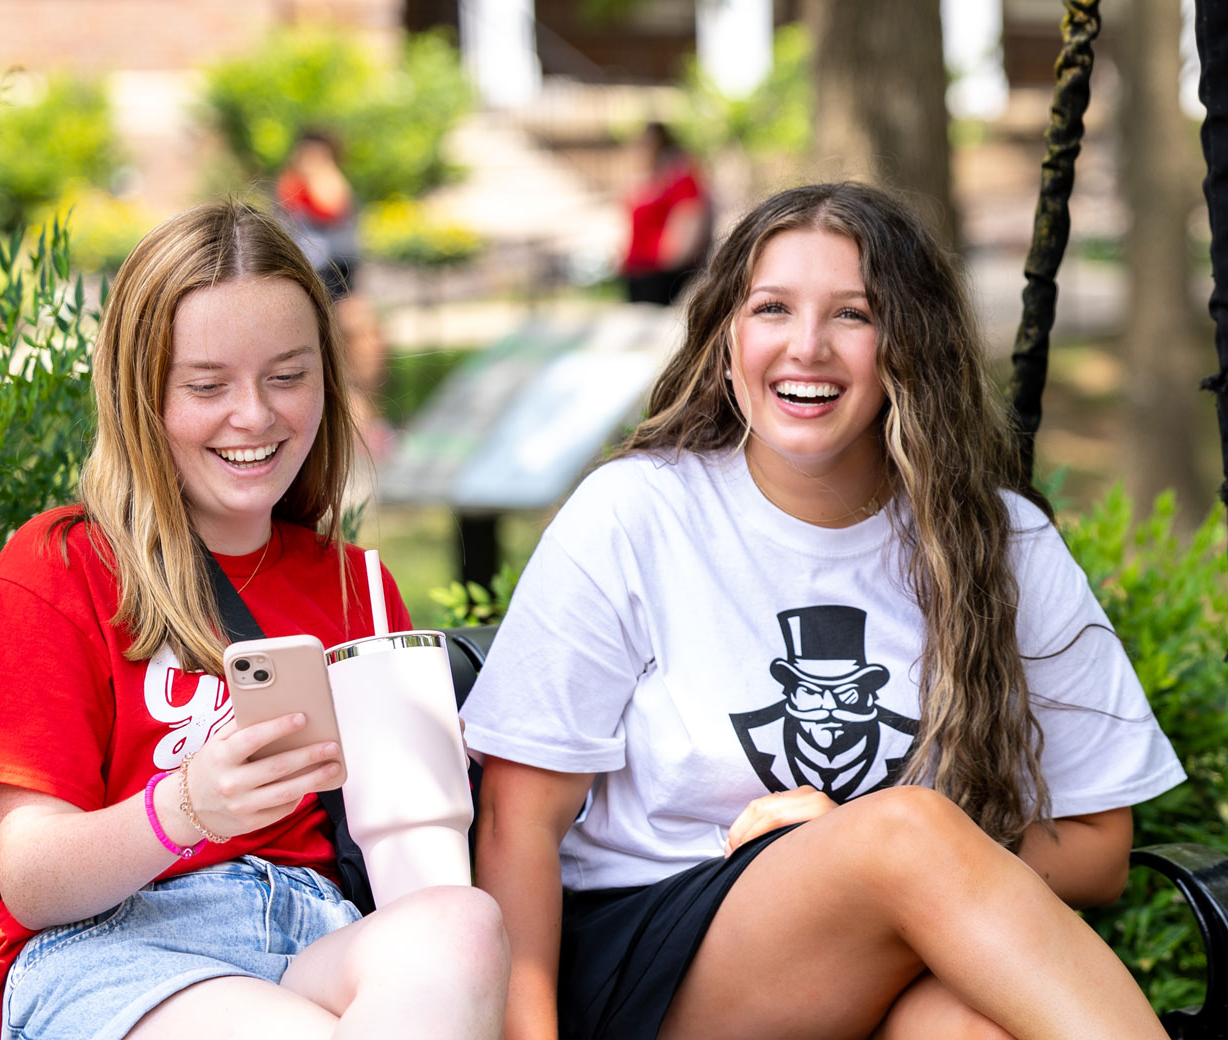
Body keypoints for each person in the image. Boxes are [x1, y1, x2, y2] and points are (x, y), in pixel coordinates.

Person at [465, 182, 1182, 1040]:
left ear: (909, 346)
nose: (807, 348)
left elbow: (1099, 847)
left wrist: (863, 858)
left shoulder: (1000, 540)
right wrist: (886, 849)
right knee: (910, 831)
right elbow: (518, 824)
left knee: (968, 1029)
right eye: (772, 308)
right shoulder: (636, 514)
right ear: (728, 339)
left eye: (852, 314)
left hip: (880, 967)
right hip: (650, 965)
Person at [0, 201, 508, 1040]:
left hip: (319, 933)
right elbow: (33, 878)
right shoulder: (62, 567)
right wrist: (186, 807)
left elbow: (408, 873)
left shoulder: (362, 588)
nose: (256, 416)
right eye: (207, 386)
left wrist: (438, 783)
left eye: (288, 376)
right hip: (119, 948)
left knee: (463, 926)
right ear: (140, 395)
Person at [274, 131, 390, 458]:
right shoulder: (287, 196)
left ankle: (366, 420)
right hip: (301, 295)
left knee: (365, 336)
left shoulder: (341, 199)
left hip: (339, 295)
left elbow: (349, 256)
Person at [617, 121, 711, 306]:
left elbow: (690, 221)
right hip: (638, 270)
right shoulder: (645, 183)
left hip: (662, 274)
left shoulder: (679, 179)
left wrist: (671, 263)